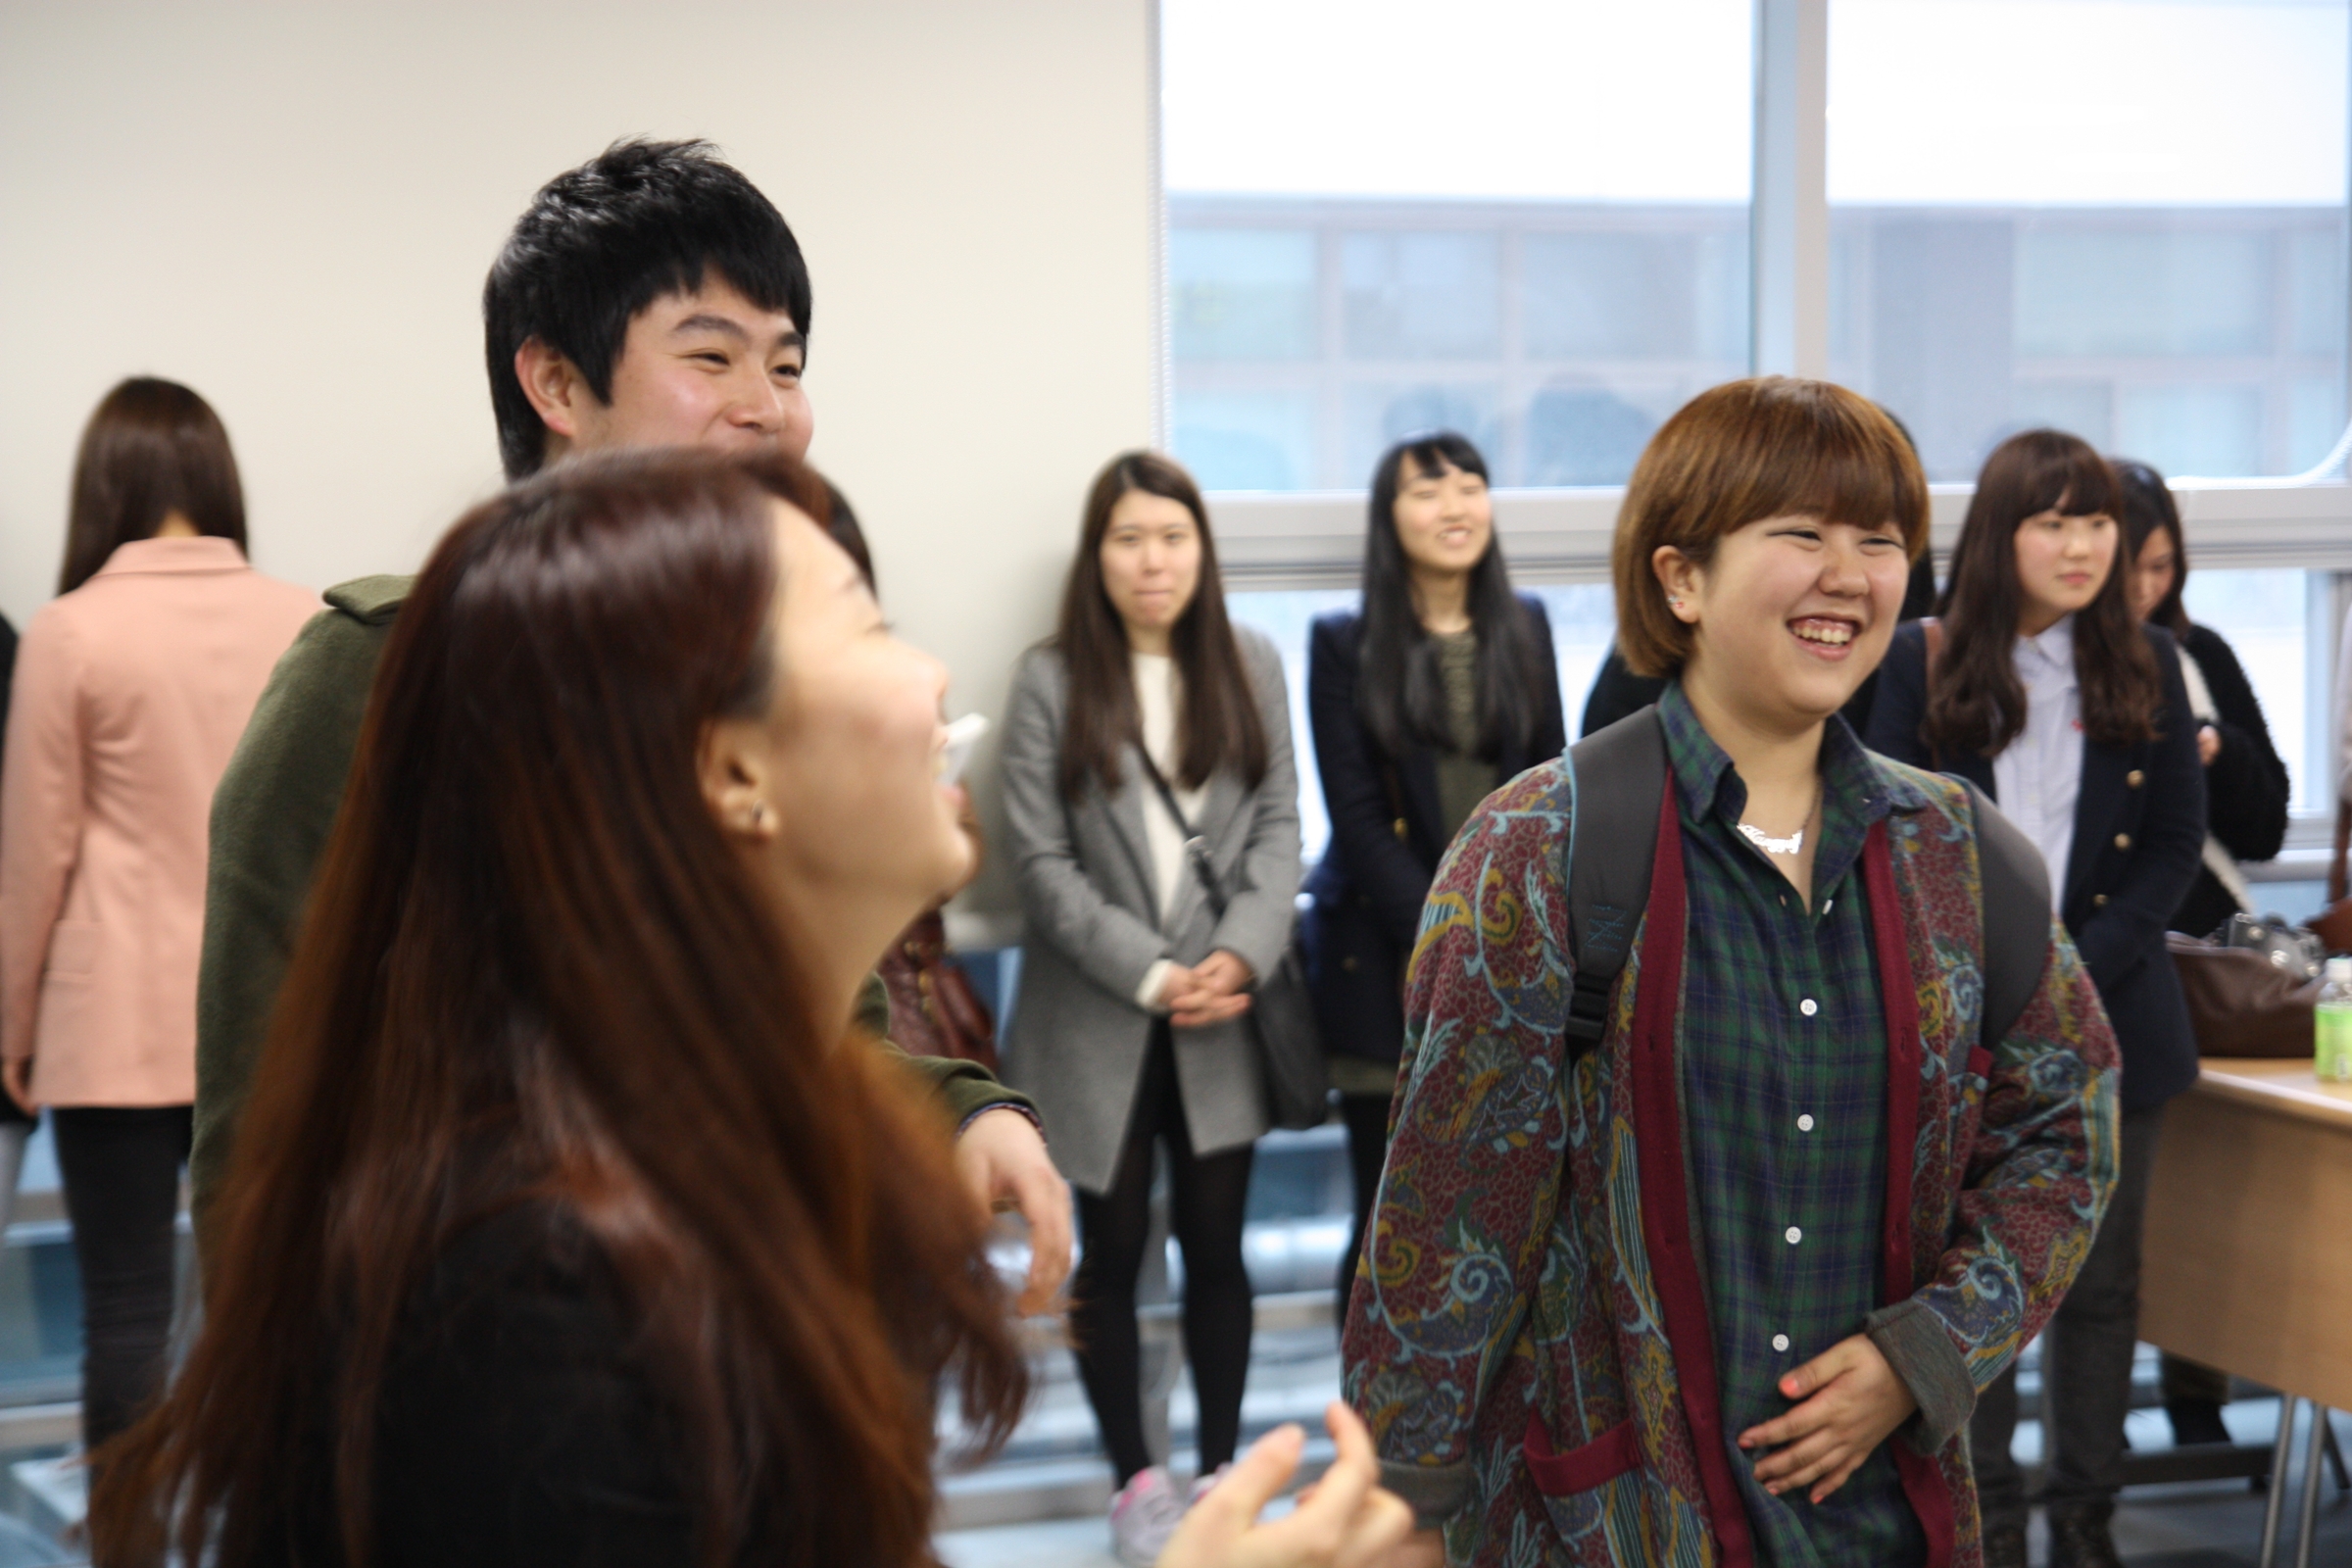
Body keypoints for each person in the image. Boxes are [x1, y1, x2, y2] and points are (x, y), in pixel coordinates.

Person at [90, 451, 1415, 1568]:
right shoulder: (540, 1304)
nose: (934, 675)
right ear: (732, 772)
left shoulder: (712, 1152)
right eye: (868, 625)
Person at [185, 138, 1069, 1309]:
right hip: (472, 1356)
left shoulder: (742, 679)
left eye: (788, 364)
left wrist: (961, 1110)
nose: (770, 411)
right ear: (556, 384)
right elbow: (261, 1134)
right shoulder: (379, 677)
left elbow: (817, 1017)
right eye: (712, 356)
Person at [1346, 378, 2119, 1568]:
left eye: (1881, 541)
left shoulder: (1960, 856)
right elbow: (1444, 1226)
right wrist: (1399, 1508)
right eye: (1801, 533)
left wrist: (1927, 1351)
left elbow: (2069, 1124)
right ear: (1681, 579)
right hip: (1613, 1524)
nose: (1848, 575)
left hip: (1884, 1520)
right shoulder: (1539, 848)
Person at [1868, 429, 2205, 1568]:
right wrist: (2004, 977)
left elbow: (2175, 846)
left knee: (2103, 1289)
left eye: (2097, 520)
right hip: (1962, 1029)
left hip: (2116, 1021)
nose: (2081, 544)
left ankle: (2088, 1523)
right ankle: (1989, 1522)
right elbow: (1890, 833)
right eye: (2052, 521)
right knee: (1977, 1281)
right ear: (1997, 534)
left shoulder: (2151, 660)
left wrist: (2070, 973)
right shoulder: (1918, 659)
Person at [0, 378, 318, 1457]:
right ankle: (270, 1526)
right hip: (267, 1015)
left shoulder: (70, 632)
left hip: (112, 1031)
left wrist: (12, 1031)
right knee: (271, 1306)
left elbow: (33, 859)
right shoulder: (301, 618)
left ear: (104, 486)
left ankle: (129, 1536)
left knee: (127, 1316)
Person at [1002, 450, 1302, 1565]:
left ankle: (1222, 1474)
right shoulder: (1051, 679)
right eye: (1129, 539)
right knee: (1114, 1249)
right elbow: (1039, 862)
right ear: (1098, 556)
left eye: (1173, 537)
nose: (1153, 560)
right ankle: (1137, 1482)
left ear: (1202, 551)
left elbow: (1281, 825)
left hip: (1222, 1012)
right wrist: (1150, 971)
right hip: (1097, 1019)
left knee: (1219, 1247)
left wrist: (1239, 955)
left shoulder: (1250, 661)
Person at [1299, 431, 1563, 1310]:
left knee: (1495, 1212)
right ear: (1389, 518)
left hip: (1510, 961)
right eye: (1427, 491)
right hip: (1384, 962)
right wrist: (1455, 934)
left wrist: (1501, 938)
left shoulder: (1526, 625)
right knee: (1388, 1216)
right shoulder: (1343, 642)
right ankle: (1371, 1393)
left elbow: (1551, 791)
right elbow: (1357, 820)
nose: (1455, 507)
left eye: (1470, 487)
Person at [2113, 458, 2289, 1449]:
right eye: (2131, 567)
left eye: (2162, 567)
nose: (2146, 588)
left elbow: (2264, 826)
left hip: (2211, 960)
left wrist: (2215, 747)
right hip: (2113, 964)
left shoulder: (2197, 653)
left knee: (2219, 1189)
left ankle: (2198, 1390)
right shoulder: (2030, 666)